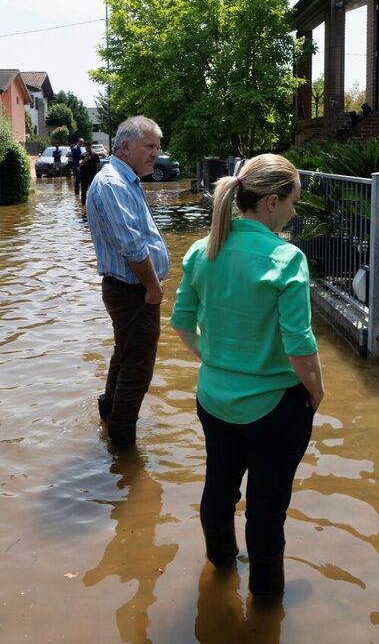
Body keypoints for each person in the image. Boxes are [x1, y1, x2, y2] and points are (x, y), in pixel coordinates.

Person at [171, 154, 323, 599]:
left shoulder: (203, 249)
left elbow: (181, 321)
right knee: (266, 508)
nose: (295, 211)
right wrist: (316, 391)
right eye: (293, 201)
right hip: (275, 406)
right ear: (272, 202)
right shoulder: (286, 258)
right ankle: (266, 602)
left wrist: (215, 359)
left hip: (214, 398)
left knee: (218, 486)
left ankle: (220, 569)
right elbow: (300, 345)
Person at [86, 116, 170, 447]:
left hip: (132, 290)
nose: (156, 154)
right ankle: (122, 448)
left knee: (124, 357)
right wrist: (153, 288)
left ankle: (109, 421)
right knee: (137, 371)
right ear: (126, 147)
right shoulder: (113, 184)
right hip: (134, 291)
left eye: (158, 147)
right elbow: (132, 245)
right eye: (150, 146)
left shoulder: (125, 179)